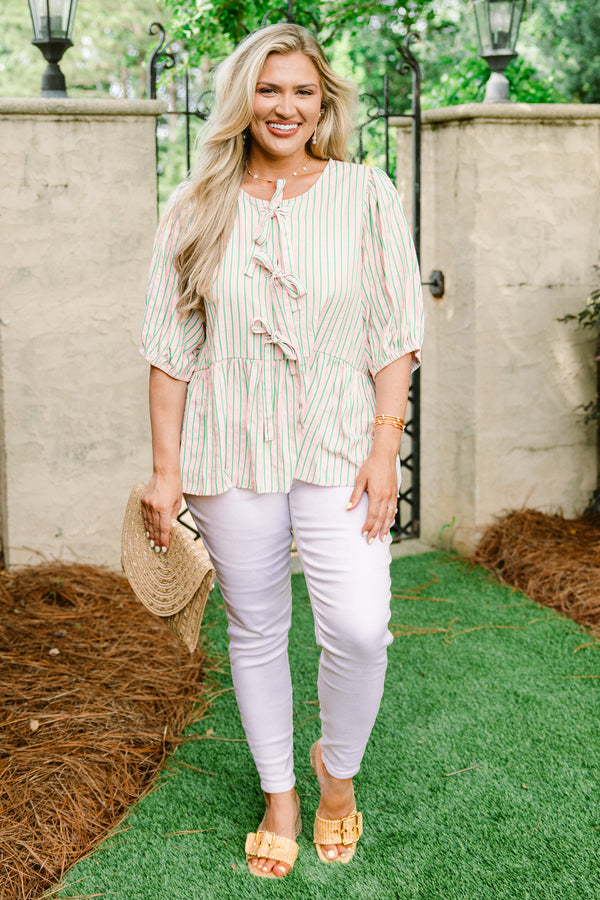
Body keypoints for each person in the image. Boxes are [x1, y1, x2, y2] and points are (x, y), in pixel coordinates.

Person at [140, 22, 424, 879]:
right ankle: (281, 796)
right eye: (269, 89)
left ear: (323, 102)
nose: (286, 107)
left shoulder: (365, 193)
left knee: (361, 630)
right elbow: (169, 350)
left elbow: (395, 333)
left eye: (303, 91)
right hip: (227, 444)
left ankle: (336, 770)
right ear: (243, 99)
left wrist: (385, 447)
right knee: (257, 628)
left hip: (341, 442)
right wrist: (165, 472)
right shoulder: (194, 205)